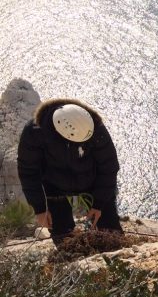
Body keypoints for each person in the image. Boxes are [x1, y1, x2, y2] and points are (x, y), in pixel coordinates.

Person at [17, 99, 123, 246]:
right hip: (53, 184)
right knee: (62, 236)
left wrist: (99, 204)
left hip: (91, 181)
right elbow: (29, 171)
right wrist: (40, 209)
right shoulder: (35, 132)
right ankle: (71, 262)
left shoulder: (95, 128)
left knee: (111, 232)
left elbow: (109, 167)